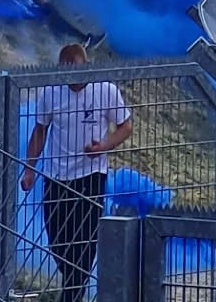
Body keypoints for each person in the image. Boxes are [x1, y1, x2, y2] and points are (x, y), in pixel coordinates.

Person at [21, 42, 133, 302]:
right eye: (67, 74)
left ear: (87, 67)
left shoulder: (105, 90)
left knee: (84, 241)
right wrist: (29, 169)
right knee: (58, 241)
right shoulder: (50, 92)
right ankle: (73, 285)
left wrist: (103, 146)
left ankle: (72, 294)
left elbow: (126, 126)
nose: (73, 81)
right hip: (56, 176)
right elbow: (40, 131)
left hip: (91, 176)